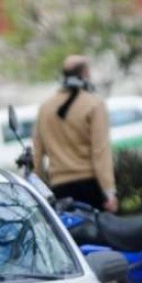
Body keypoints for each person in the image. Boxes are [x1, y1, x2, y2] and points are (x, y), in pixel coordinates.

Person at [32, 55, 118, 212]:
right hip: (90, 186)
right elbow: (100, 151)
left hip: (59, 188)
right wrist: (109, 192)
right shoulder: (94, 104)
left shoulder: (44, 108)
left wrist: (37, 189)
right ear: (85, 73)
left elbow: (37, 155)